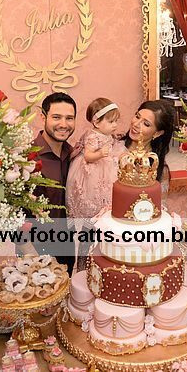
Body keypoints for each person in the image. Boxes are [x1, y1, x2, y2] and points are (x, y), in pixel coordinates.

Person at [66, 98, 126, 269]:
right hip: (92, 172)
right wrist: (101, 153)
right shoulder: (93, 136)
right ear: (96, 122)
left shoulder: (106, 134)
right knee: (94, 198)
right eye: (111, 121)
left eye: (116, 121)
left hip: (106, 169)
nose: (115, 125)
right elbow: (88, 156)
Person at [23, 92, 77, 274]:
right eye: (56, 117)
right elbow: (14, 210)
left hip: (67, 245)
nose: (64, 124)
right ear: (43, 117)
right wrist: (27, 249)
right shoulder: (27, 157)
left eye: (69, 118)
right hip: (35, 248)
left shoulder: (73, 154)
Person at [123, 100, 175, 186]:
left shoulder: (157, 168)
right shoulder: (112, 146)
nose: (136, 124)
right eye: (137, 116)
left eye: (146, 124)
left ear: (157, 133)